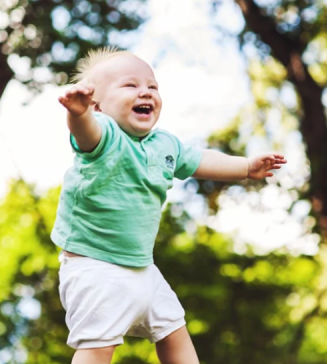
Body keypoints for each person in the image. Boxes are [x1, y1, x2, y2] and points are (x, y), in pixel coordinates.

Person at [51, 47, 286, 364]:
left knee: (174, 329)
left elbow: (202, 160)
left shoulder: (164, 144)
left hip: (143, 268)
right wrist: (77, 114)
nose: (145, 91)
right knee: (98, 344)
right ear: (98, 105)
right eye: (130, 85)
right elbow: (85, 132)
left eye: (152, 86)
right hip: (96, 267)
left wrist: (245, 167)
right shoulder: (104, 136)